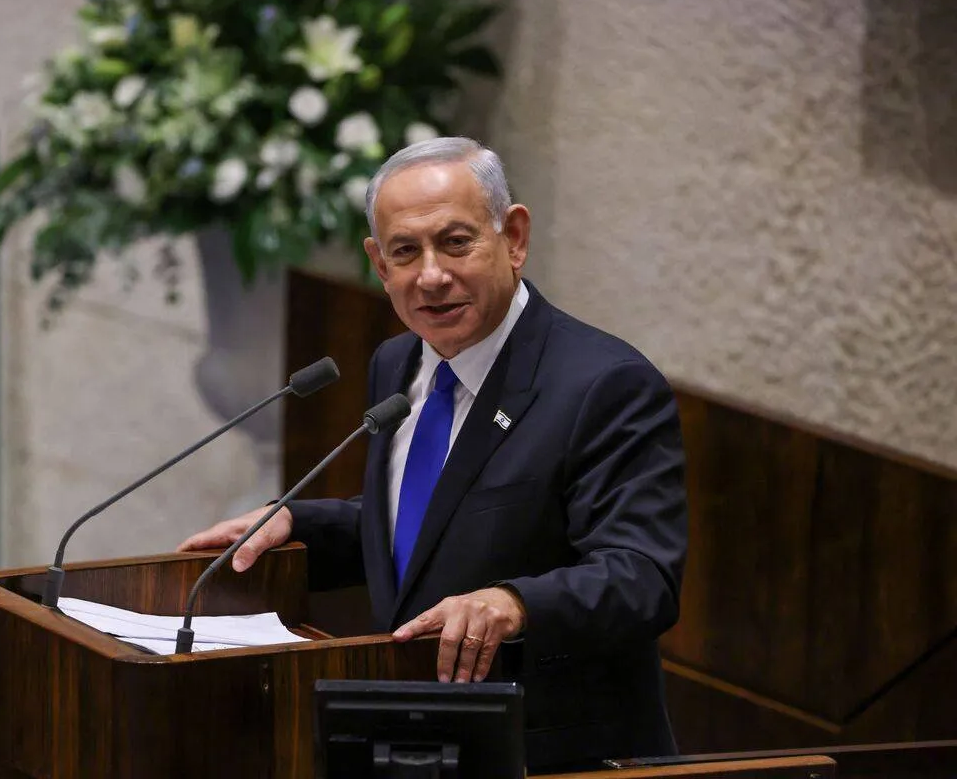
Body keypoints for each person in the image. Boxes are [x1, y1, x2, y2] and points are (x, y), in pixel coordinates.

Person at [178, 137, 688, 770]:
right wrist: (298, 523)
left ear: (515, 237)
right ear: (378, 264)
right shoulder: (398, 362)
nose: (431, 276)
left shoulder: (603, 384)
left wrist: (512, 603)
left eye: (455, 242)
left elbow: (643, 576)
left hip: (554, 754)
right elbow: (432, 517)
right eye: (404, 252)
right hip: (425, 746)